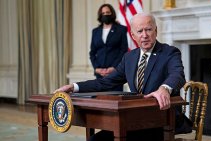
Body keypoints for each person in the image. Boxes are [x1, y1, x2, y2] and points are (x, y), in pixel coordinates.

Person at [54, 13, 186, 141]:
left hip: (162, 121)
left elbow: (177, 75)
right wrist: (74, 87)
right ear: (133, 35)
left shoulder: (169, 52)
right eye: (140, 31)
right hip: (134, 120)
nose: (145, 35)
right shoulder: (129, 58)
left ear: (156, 31)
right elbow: (106, 82)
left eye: (149, 30)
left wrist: (164, 88)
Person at [89, 4, 128, 91]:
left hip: (115, 72)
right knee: (100, 100)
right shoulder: (95, 31)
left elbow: (123, 50)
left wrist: (114, 67)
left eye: (107, 12)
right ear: (100, 15)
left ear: (112, 14)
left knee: (115, 100)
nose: (105, 15)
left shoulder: (121, 29)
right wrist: (97, 68)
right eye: (103, 13)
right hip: (100, 74)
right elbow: (92, 52)